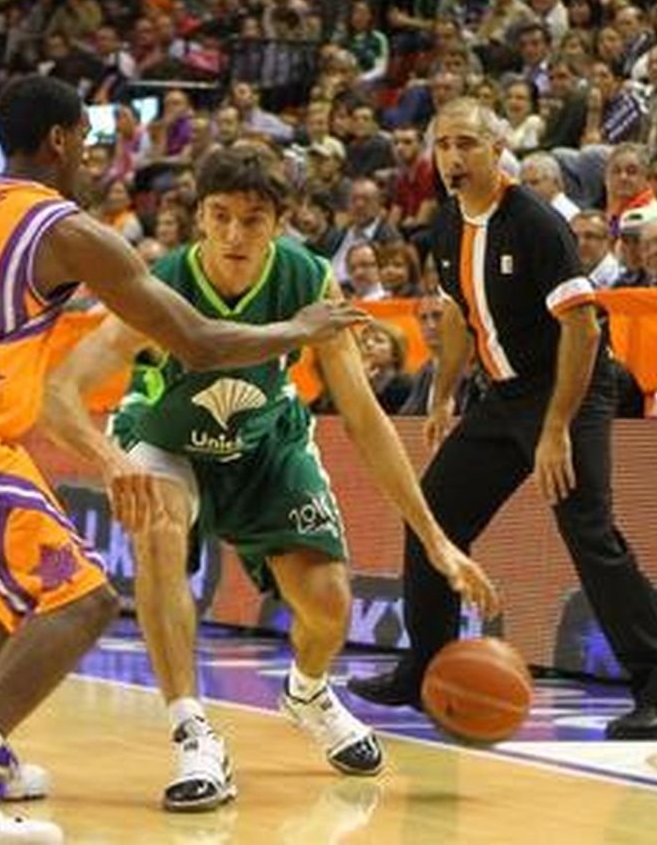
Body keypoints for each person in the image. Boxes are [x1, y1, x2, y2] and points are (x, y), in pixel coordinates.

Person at [0, 76, 367, 843]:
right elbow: (199, 341)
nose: (96, 159)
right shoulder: (64, 230)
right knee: (83, 600)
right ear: (62, 140)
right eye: (91, 143)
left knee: (12, 581)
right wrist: (296, 330)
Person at [42, 145, 493, 812]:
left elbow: (365, 420)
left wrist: (434, 538)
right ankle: (192, 732)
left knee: (328, 603)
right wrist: (110, 461)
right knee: (159, 530)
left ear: (279, 224)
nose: (233, 235)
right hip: (167, 440)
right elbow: (59, 390)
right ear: (198, 218)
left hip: (264, 442)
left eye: (252, 220)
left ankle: (308, 692)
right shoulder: (158, 282)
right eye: (219, 216)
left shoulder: (309, 281)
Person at [348, 98, 657, 740]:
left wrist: (556, 429)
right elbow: (456, 313)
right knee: (433, 516)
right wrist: (444, 392)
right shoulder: (448, 222)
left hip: (572, 388)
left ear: (496, 148)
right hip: (502, 394)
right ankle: (424, 664)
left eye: (467, 144)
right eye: (444, 145)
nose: (454, 157)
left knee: (589, 532)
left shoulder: (534, 222)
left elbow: (582, 326)